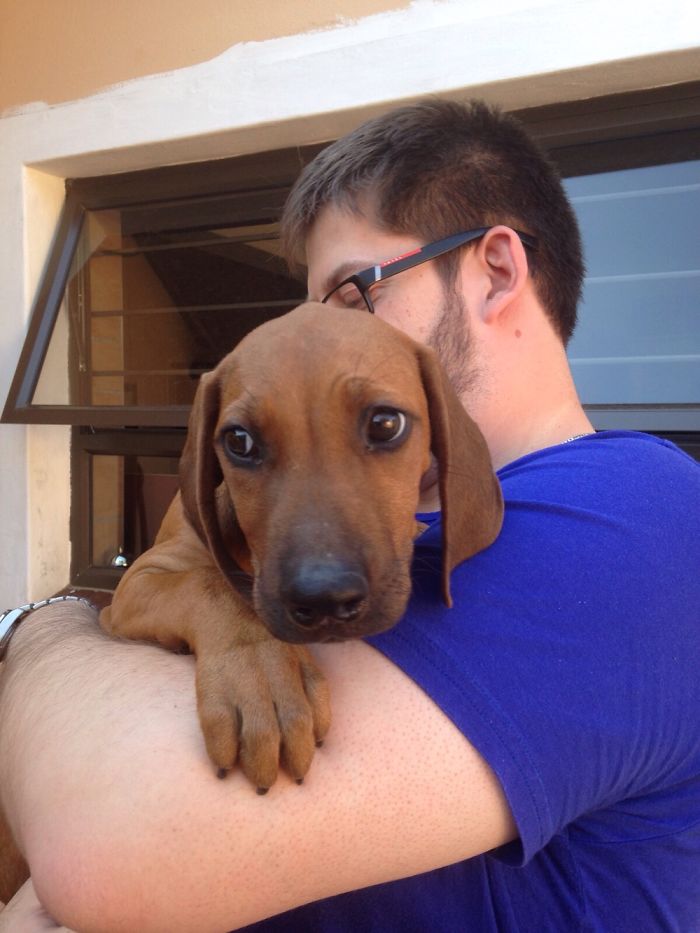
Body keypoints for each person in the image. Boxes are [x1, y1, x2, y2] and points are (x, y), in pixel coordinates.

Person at [0, 99, 698, 932]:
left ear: (498, 270)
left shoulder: (636, 519)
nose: (322, 336)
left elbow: (109, 843)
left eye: (351, 293)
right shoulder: (330, 518)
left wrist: (36, 629)